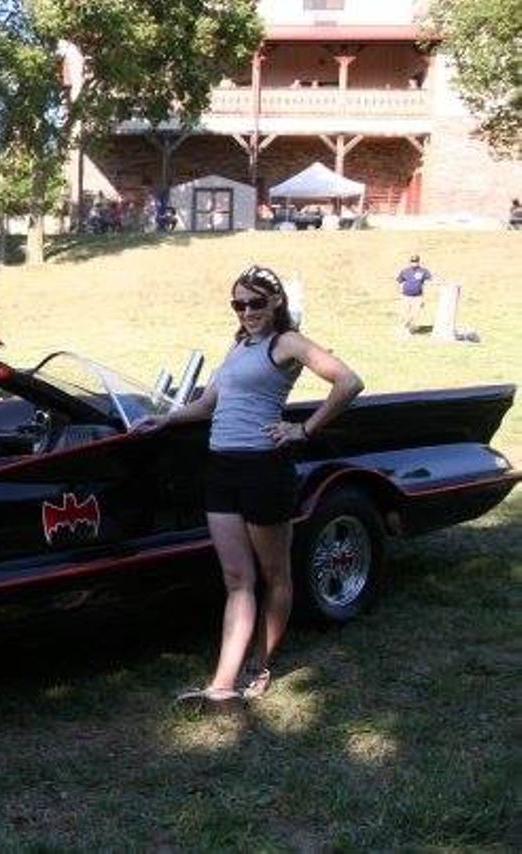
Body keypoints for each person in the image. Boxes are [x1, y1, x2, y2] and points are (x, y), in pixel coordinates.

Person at [133, 265, 363, 707]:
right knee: (238, 577)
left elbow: (348, 381)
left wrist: (304, 430)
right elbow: (207, 404)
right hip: (222, 468)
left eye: (256, 302)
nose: (247, 311)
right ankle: (222, 686)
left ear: (276, 301)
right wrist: (164, 419)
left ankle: (260, 665)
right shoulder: (239, 346)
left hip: (264, 469)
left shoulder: (286, 343)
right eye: (238, 304)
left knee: (275, 574)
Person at [397, 253, 433, 334]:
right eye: (413, 261)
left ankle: (410, 329)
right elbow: (399, 281)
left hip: (418, 297)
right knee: (404, 313)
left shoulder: (423, 271)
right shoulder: (405, 271)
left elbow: (429, 281)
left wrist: (424, 297)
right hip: (406, 296)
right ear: (410, 262)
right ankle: (403, 328)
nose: (414, 263)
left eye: (416, 261)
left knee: (415, 314)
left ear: (418, 262)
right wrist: (401, 294)